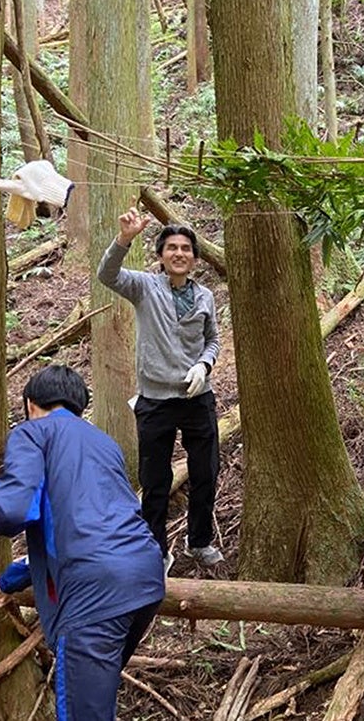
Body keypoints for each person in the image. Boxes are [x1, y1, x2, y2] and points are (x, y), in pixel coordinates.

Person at [0, 365, 165, 721]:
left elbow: (10, 510)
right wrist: (7, 582)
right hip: (145, 579)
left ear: (30, 404)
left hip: (93, 597)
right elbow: (80, 531)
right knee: (93, 701)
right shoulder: (103, 442)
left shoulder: (33, 434)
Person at [98, 208, 223, 568]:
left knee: (205, 473)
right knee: (154, 480)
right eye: (171, 247)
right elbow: (106, 274)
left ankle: (198, 541)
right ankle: (156, 548)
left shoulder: (205, 298)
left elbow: (212, 340)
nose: (179, 253)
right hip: (154, 400)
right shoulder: (144, 287)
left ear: (196, 259)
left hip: (197, 397)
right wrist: (124, 238)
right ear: (160, 255)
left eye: (186, 248)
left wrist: (204, 364)